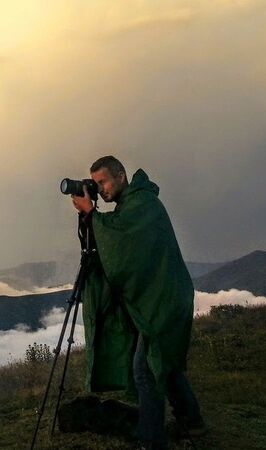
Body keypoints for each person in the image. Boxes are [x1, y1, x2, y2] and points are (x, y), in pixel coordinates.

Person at [70, 155, 205, 449]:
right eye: (94, 184)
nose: (100, 189)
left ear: (120, 175)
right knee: (165, 364)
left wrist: (92, 215)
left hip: (164, 302)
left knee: (145, 371)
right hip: (166, 299)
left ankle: (151, 441)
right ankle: (192, 423)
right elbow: (114, 238)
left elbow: (121, 248)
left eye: (102, 181)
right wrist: (90, 217)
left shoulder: (143, 205)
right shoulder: (129, 208)